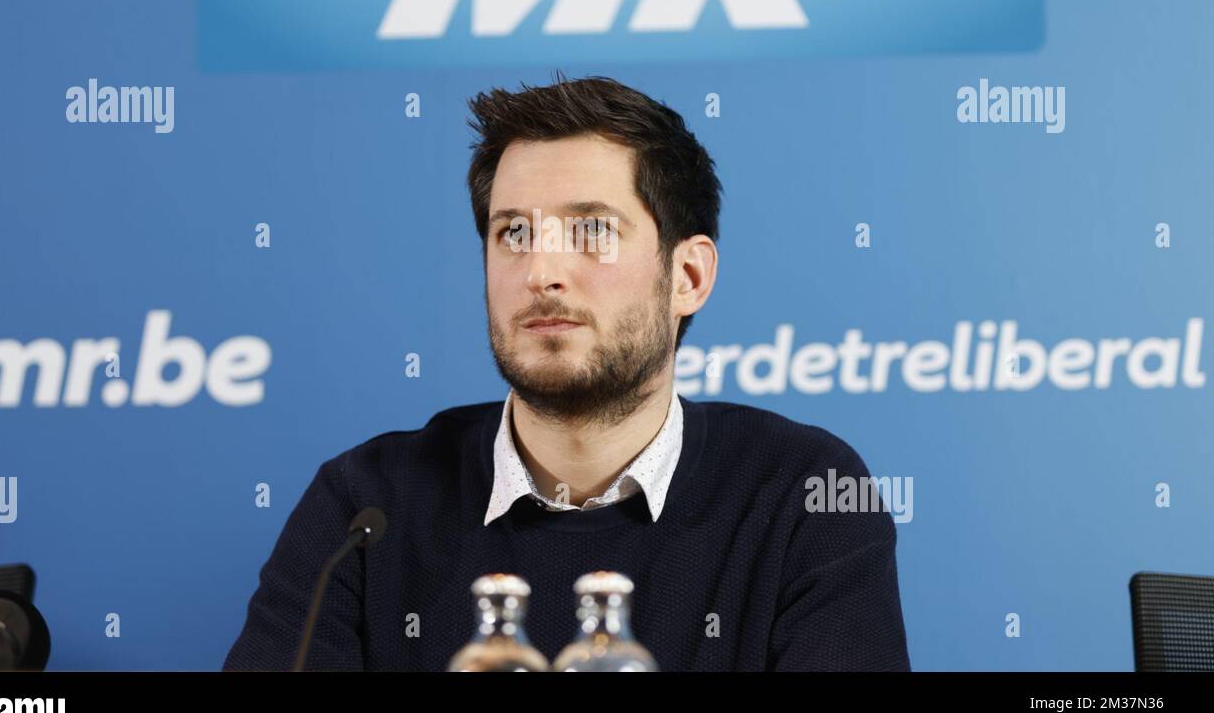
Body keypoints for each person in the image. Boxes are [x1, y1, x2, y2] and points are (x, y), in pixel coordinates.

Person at [224, 72, 910, 671]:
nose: (542, 272)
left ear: (689, 276)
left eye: (592, 231)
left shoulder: (803, 497)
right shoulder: (363, 510)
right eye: (513, 233)